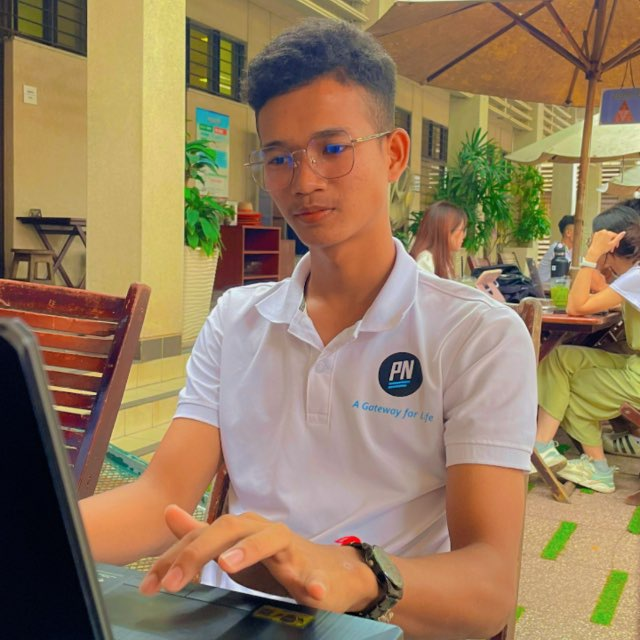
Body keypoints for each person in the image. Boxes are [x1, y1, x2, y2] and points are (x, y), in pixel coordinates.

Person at [81, 18, 537, 639]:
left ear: (394, 154)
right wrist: (31, 531)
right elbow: (157, 499)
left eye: (333, 148)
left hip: (376, 624)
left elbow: (489, 592)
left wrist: (351, 574)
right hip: (227, 618)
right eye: (279, 157)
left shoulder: (475, 336)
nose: (305, 180)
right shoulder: (237, 320)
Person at [533, 204, 640, 493]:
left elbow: (576, 306)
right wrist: (598, 270)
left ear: (611, 244)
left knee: (575, 386)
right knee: (561, 358)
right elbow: (603, 295)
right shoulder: (634, 275)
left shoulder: (636, 276)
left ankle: (598, 468)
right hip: (635, 365)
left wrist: (590, 258)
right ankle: (542, 446)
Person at [409, 201, 466, 278]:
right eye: (461, 230)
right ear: (445, 231)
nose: (464, 235)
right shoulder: (426, 261)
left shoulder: (442, 259)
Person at [538, 214, 574, 282]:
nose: (581, 235)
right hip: (545, 287)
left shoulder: (570, 250)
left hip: (556, 285)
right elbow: (572, 272)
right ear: (568, 233)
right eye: (579, 231)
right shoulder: (557, 249)